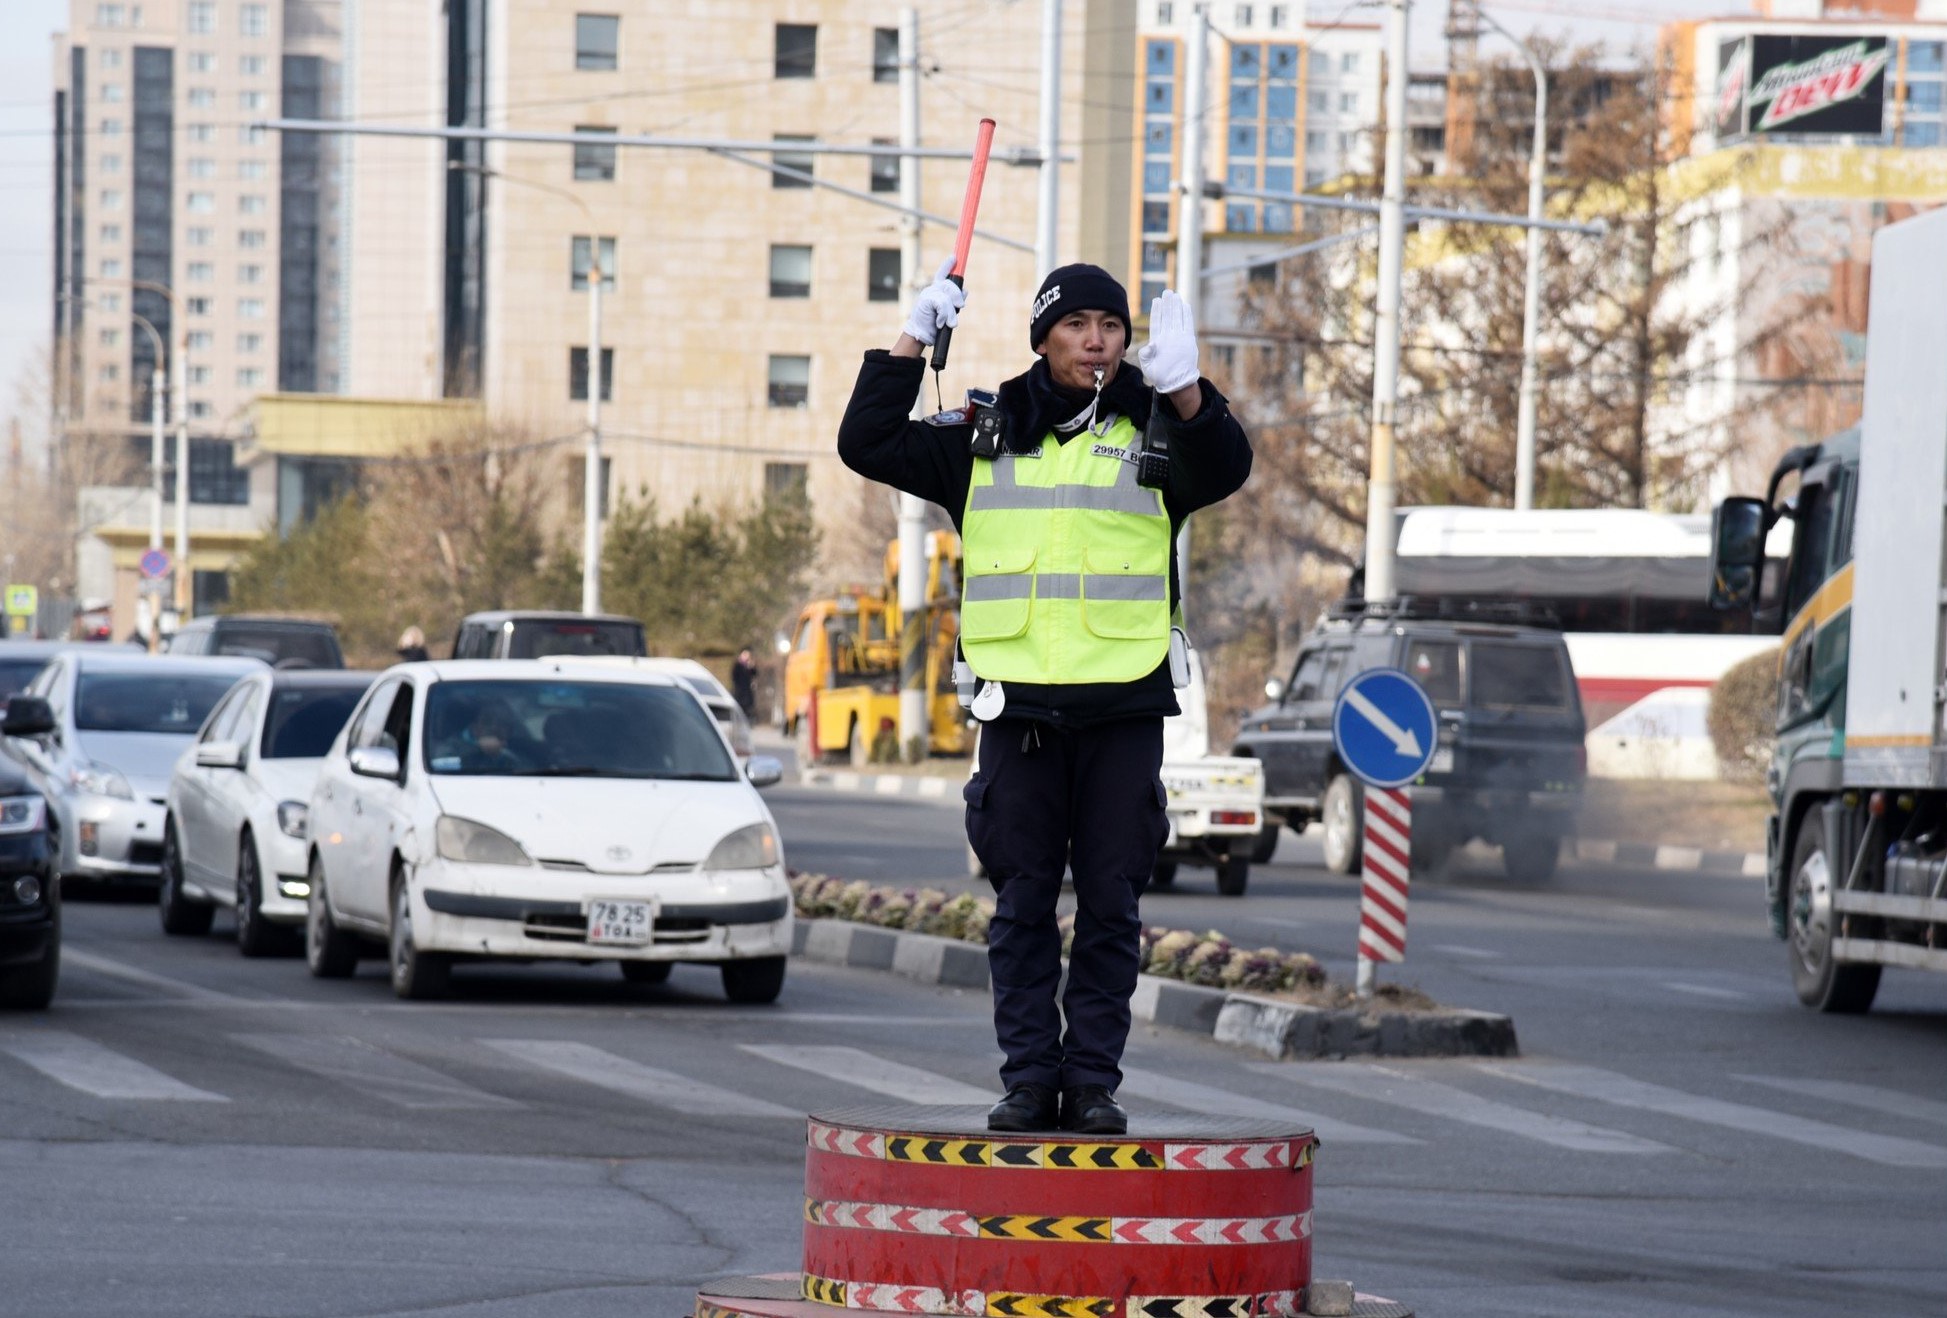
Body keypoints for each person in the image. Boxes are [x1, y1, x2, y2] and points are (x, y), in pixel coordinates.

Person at [837, 260, 1251, 1135]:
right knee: (1022, 906)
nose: (1095, 339)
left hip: (1123, 708)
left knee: (1111, 905)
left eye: (1110, 324)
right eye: (1076, 324)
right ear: (1043, 337)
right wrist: (912, 340)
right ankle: (1028, 1079)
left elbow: (1225, 469)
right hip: (1018, 712)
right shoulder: (987, 431)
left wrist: (1185, 393)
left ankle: (1092, 1082)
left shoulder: (1153, 425)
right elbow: (865, 442)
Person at [731, 647, 758, 720]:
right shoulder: (737, 665)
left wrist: (752, 666)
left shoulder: (749, 666)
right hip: (740, 690)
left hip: (747, 689)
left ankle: (746, 719)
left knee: (747, 707)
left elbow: (755, 674)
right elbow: (734, 676)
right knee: (740, 706)